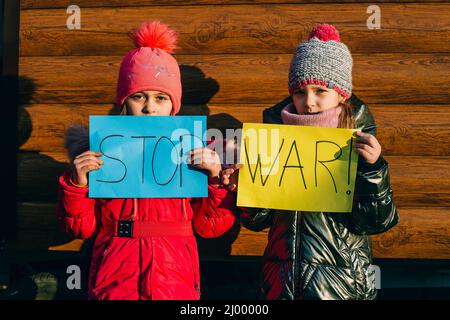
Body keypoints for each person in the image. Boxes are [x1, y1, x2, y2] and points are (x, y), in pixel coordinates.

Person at [56, 21, 236, 300]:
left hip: (174, 278)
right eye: (139, 96)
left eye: (160, 98)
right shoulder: (100, 154)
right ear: (124, 102)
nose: (150, 107)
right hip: (115, 276)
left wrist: (215, 181)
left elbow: (209, 227)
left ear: (172, 105)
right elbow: (80, 228)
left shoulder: (192, 153)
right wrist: (77, 184)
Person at [221, 24, 399, 300]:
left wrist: (373, 170)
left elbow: (377, 222)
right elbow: (258, 221)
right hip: (282, 282)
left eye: (320, 91)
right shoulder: (274, 139)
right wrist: (245, 187)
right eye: (300, 92)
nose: (309, 102)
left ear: (342, 94)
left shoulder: (359, 144)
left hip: (342, 284)